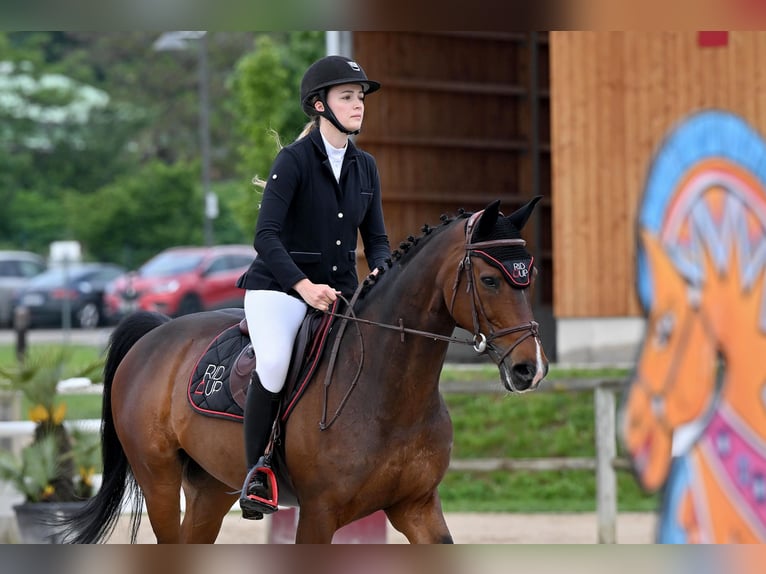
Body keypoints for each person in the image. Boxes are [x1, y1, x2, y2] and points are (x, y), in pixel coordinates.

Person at [236, 54, 391, 519]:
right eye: (347, 97)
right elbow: (265, 237)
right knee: (278, 363)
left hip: (340, 294)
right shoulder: (294, 161)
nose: (358, 105)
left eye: (360, 97)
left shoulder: (366, 168)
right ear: (320, 105)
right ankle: (256, 475)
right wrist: (303, 287)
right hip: (279, 291)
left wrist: (382, 270)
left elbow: (378, 239)